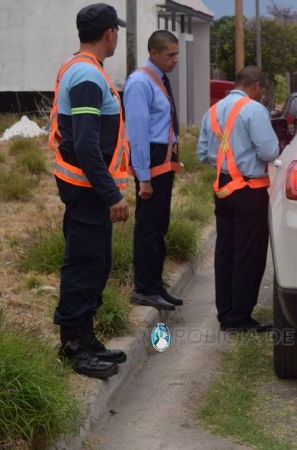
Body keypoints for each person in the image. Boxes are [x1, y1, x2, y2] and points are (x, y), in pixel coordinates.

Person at [48, 3, 130, 379]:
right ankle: (74, 347)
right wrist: (112, 193)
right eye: (117, 30)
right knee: (84, 265)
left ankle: (86, 337)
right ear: (109, 33)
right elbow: (85, 145)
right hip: (87, 190)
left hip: (86, 188)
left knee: (94, 263)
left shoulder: (83, 69)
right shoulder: (86, 76)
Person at [197, 66, 279, 332]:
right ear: (255, 86)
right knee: (249, 254)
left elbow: (203, 153)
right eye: (261, 89)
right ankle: (240, 317)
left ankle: (226, 313)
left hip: (223, 188)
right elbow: (269, 151)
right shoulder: (254, 110)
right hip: (249, 190)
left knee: (226, 252)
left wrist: (227, 162)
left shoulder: (212, 111)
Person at [124, 30, 184, 311]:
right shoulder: (139, 83)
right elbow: (137, 132)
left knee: (159, 225)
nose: (175, 60)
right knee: (148, 227)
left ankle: (156, 284)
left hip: (163, 159)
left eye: (176, 54)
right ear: (154, 53)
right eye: (170, 55)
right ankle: (144, 288)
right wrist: (143, 177)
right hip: (151, 159)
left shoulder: (160, 79)